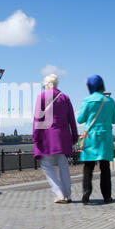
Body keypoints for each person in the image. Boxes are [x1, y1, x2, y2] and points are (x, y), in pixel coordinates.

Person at [32, 74, 78, 203]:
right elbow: (71, 120)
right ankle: (67, 195)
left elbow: (37, 119)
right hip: (63, 137)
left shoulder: (41, 97)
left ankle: (59, 194)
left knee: (47, 165)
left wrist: (35, 136)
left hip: (47, 138)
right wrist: (74, 136)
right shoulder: (65, 98)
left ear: (47, 85)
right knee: (63, 165)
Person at [77, 75, 115, 205]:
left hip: (90, 137)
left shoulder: (87, 100)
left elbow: (80, 119)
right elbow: (114, 119)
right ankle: (107, 196)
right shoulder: (110, 101)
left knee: (88, 166)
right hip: (105, 136)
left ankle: (86, 192)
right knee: (105, 167)